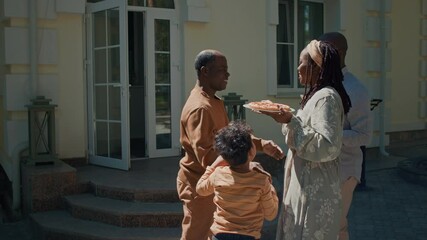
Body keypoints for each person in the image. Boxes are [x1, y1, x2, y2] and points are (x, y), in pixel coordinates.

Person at [177, 49, 285, 240]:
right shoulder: (200, 108)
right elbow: (207, 157)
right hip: (199, 184)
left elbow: (227, 139)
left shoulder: (213, 101)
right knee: (195, 235)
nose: (227, 75)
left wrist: (260, 144)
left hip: (213, 181)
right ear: (205, 71)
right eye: (222, 70)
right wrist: (245, 166)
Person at [261, 40, 352, 240]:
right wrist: (288, 120)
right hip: (305, 182)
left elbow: (327, 147)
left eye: (302, 62)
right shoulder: (315, 96)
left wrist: (291, 122)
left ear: (316, 67)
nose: (297, 67)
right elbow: (304, 132)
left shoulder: (325, 98)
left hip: (315, 191)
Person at [318, 32, 373, 240]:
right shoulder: (321, 84)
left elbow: (364, 136)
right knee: (323, 227)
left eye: (322, 50)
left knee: (335, 227)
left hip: (343, 170)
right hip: (321, 169)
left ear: (338, 52)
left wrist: (328, 135)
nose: (318, 55)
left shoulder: (356, 89)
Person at [196, 121, 279, 240]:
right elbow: (271, 214)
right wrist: (269, 183)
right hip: (249, 236)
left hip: (219, 235)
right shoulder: (261, 180)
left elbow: (200, 189)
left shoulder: (218, 175)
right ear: (251, 152)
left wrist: (216, 164)